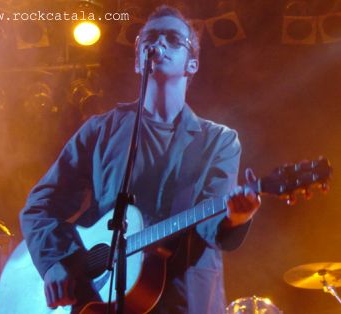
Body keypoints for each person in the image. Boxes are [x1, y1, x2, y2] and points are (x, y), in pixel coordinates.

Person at [20, 5, 261, 314]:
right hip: (101, 302)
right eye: (150, 37)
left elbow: (210, 225)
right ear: (137, 61)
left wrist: (235, 217)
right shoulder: (100, 130)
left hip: (183, 300)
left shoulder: (218, 141)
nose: (158, 44)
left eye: (173, 39)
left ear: (192, 65)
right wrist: (53, 261)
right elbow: (40, 206)